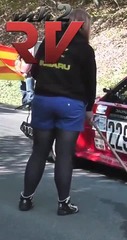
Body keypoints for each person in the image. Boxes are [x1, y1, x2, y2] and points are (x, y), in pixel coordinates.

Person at [18, 9, 97, 216]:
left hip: (44, 101)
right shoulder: (85, 50)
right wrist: (88, 110)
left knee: (39, 152)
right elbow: (90, 83)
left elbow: (34, 72)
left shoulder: (48, 43)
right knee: (64, 155)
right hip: (71, 106)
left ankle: (25, 199)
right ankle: (63, 204)